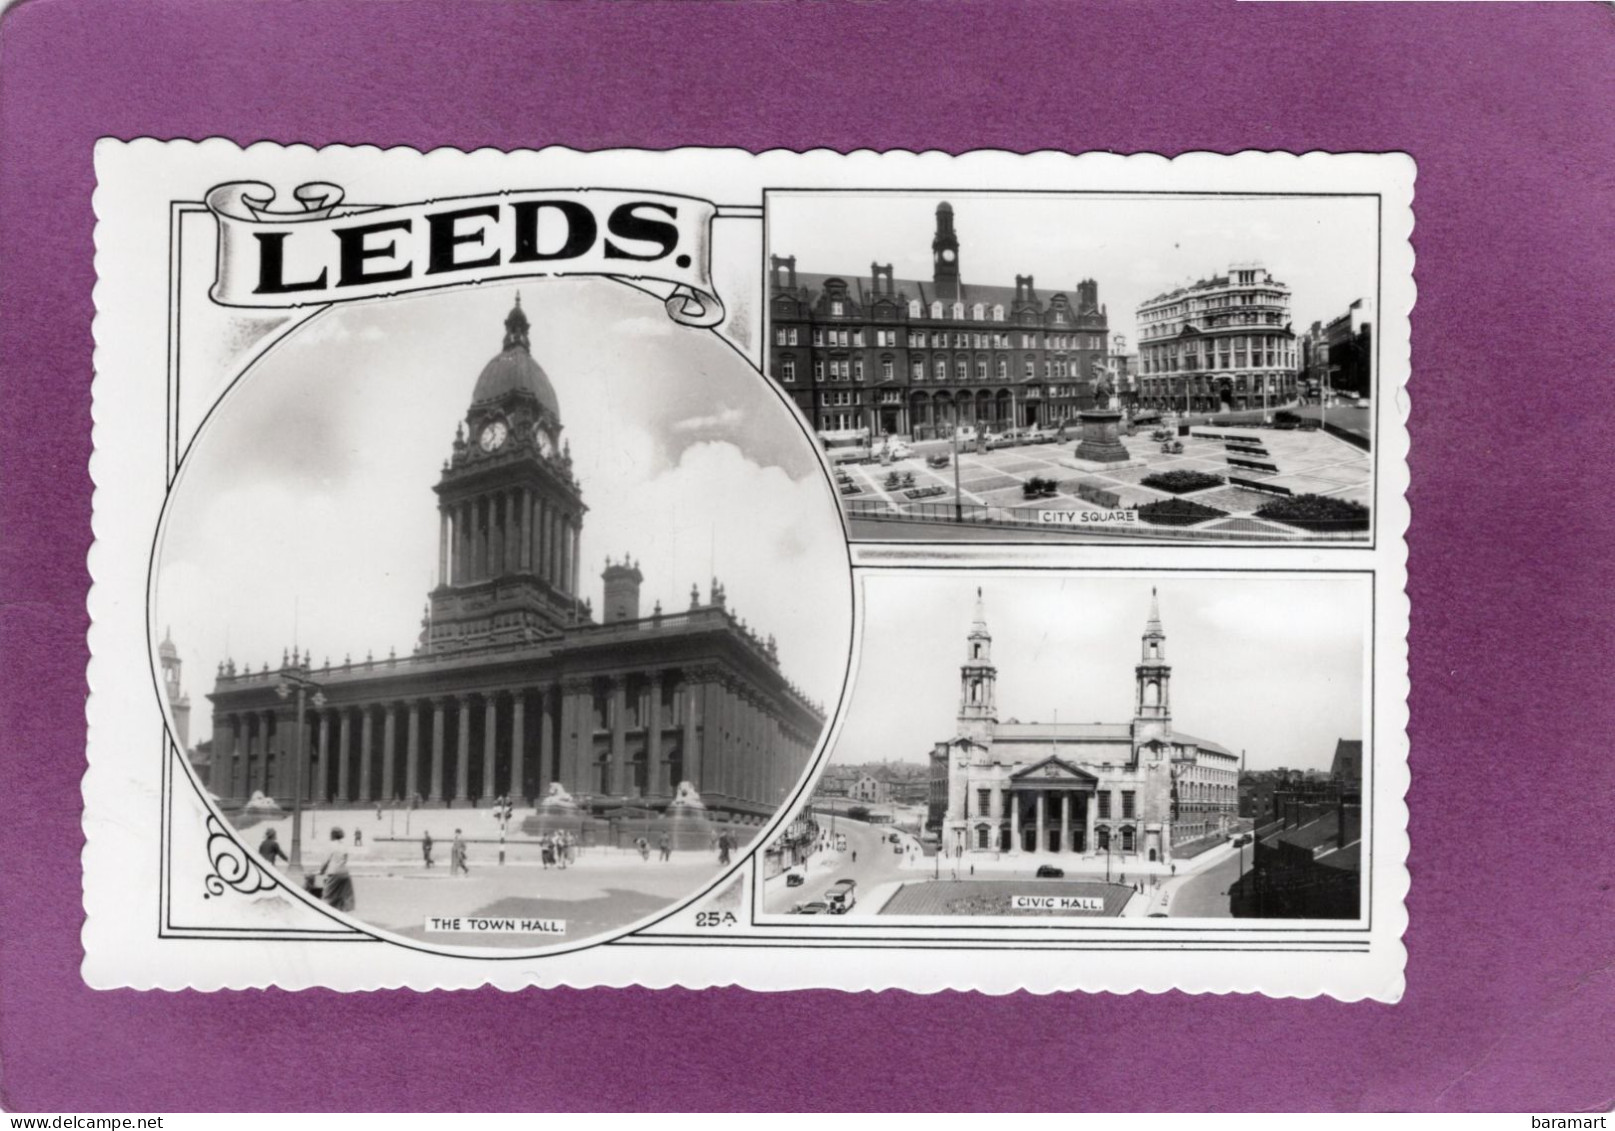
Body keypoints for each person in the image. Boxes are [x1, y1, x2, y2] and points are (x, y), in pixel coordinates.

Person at [319, 828, 355, 911]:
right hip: (345, 873)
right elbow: (345, 859)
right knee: (343, 896)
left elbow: (326, 860)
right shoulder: (343, 846)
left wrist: (322, 870)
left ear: (333, 835)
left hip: (334, 872)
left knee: (327, 895)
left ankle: (323, 913)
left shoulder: (331, 845)